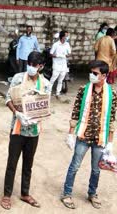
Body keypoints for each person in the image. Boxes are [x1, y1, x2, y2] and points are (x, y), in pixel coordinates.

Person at [61, 60, 117, 210]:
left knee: (96, 169)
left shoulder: (112, 94)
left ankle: (92, 193)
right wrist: (70, 134)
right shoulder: (83, 90)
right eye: (91, 72)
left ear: (104, 75)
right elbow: (75, 112)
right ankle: (66, 193)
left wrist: (110, 142)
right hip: (83, 136)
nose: (91, 75)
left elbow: (112, 119)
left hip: (100, 138)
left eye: (95, 73)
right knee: (74, 166)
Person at [0, 51, 50, 210]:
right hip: (17, 128)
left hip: (34, 131)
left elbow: (45, 107)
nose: (31, 67)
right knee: (12, 163)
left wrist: (37, 117)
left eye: (34, 65)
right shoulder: (18, 78)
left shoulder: (46, 84)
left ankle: (25, 193)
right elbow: (8, 98)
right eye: (29, 64)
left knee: (28, 164)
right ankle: (7, 195)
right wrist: (17, 113)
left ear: (41, 66)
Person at [49, 30, 71, 99]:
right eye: (66, 36)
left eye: (67, 36)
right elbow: (51, 54)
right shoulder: (56, 44)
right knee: (53, 79)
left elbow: (69, 53)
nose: (67, 37)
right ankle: (48, 93)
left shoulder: (67, 44)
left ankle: (57, 93)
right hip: (56, 64)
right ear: (62, 37)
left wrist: (67, 55)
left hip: (63, 65)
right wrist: (58, 55)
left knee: (61, 80)